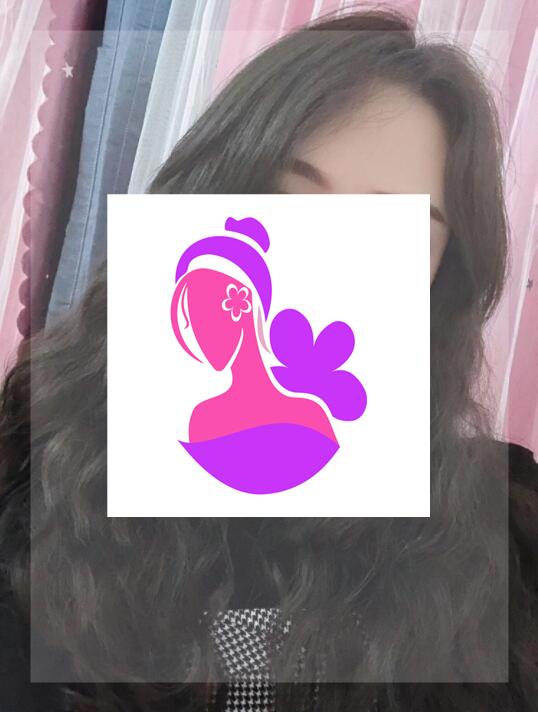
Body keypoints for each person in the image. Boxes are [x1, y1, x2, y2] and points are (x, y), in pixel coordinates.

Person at [0, 8, 536, 712]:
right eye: (284, 196)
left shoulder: (500, 531)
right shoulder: (38, 457)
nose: (322, 252)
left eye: (387, 226)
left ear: (443, 279)